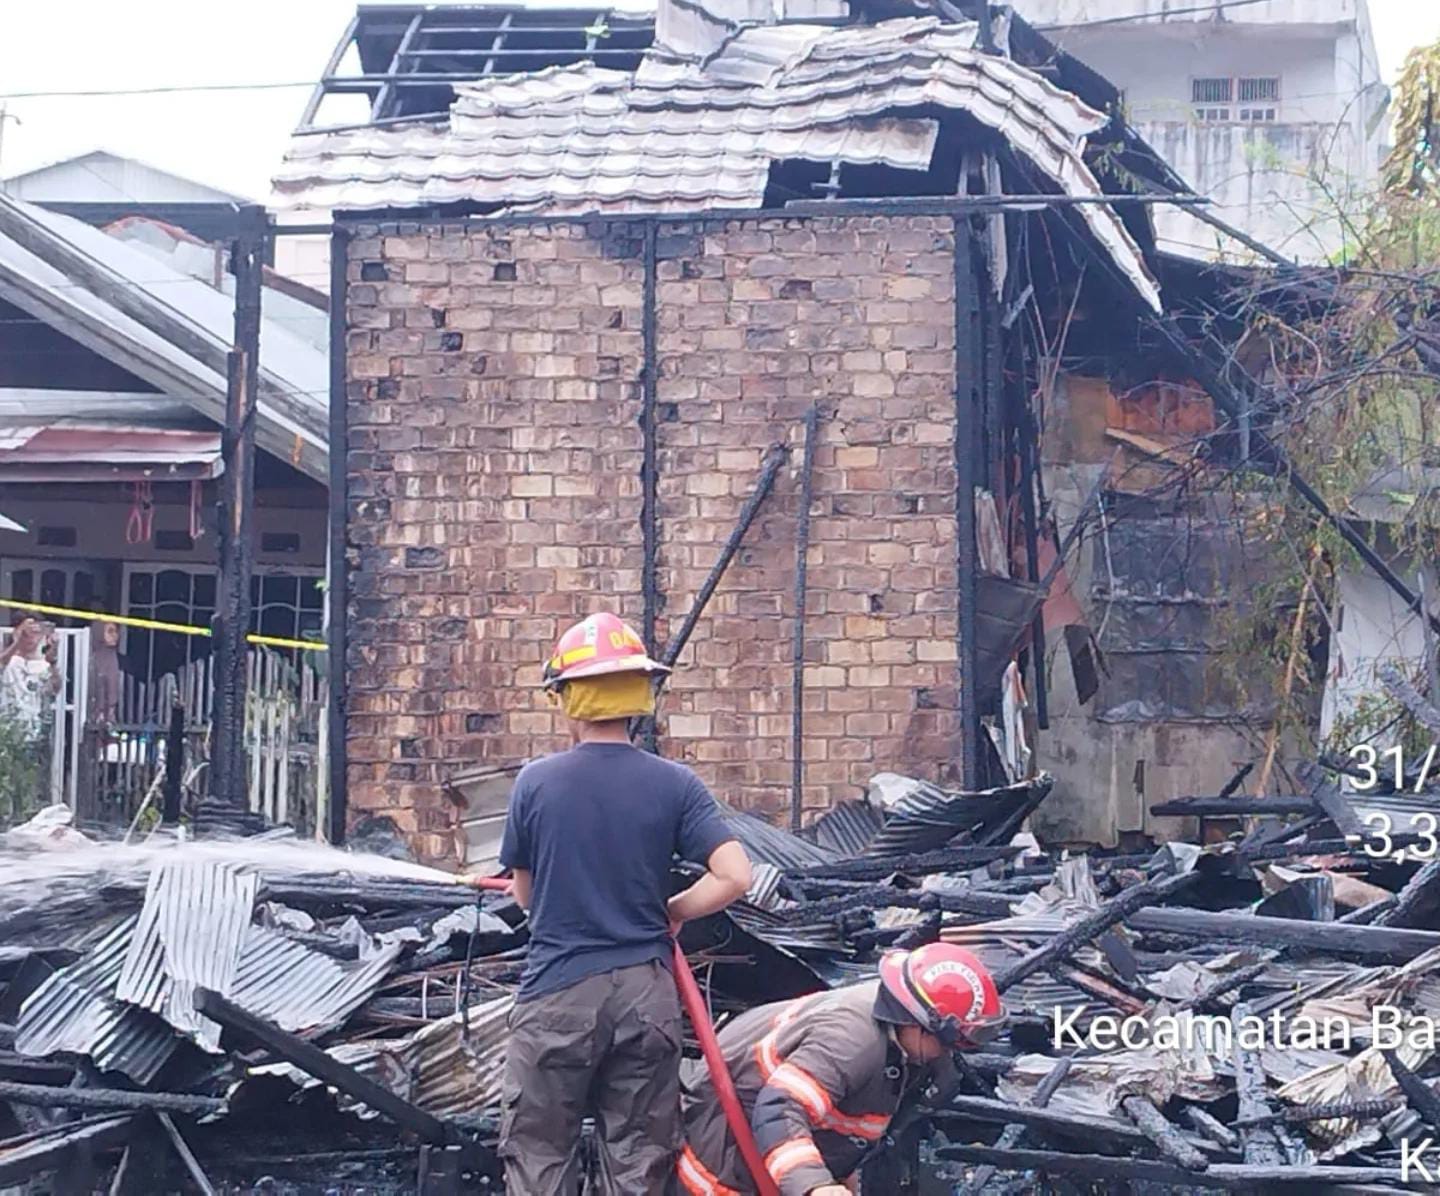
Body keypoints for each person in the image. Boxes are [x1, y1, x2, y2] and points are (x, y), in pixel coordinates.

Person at [482, 611, 753, 1195]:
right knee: (638, 1157)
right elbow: (735, 876)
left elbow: (526, 895)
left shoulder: (536, 782)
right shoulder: (676, 783)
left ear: (567, 698)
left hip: (558, 992)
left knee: (539, 1150)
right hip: (645, 995)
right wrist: (674, 909)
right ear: (639, 697)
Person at [674, 943, 1006, 1196]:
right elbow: (779, 1110)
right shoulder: (850, 1042)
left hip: (783, 1146)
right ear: (917, 1021)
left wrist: (842, 1170)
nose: (949, 1053)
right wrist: (815, 1186)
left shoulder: (908, 1047)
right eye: (949, 1042)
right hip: (726, 1151)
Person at [0, 615, 61, 814]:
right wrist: (17, 642)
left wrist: (53, 659)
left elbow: (55, 689)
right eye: (26, 631)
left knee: (33, 784)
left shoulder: (43, 664)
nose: (31, 637)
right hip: (9, 734)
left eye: (35, 632)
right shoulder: (10, 660)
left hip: (36, 734)